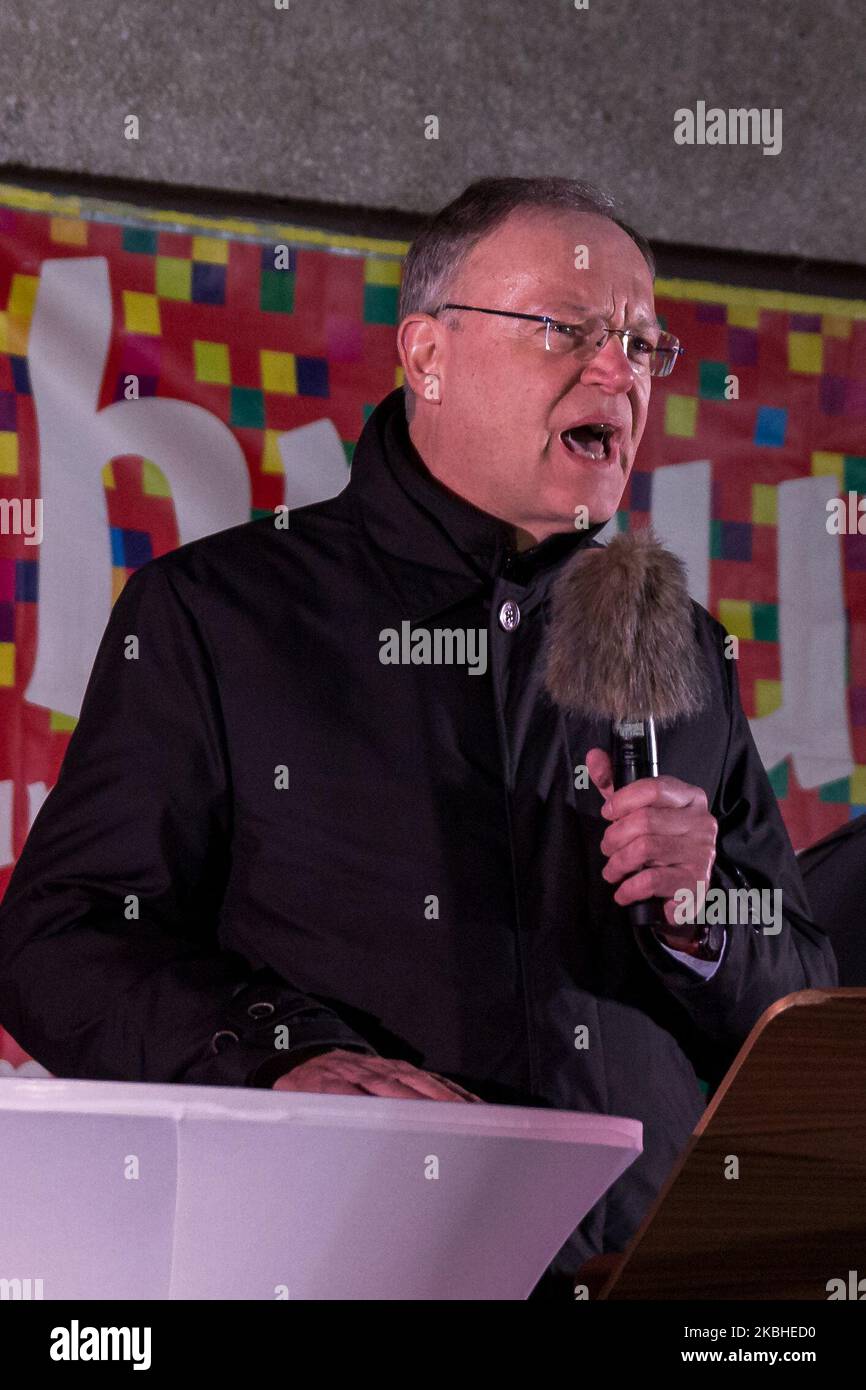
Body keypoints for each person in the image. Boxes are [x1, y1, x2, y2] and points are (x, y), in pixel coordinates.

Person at [0, 177, 837, 1296]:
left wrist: (704, 916)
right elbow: (57, 941)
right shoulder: (217, 614)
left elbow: (805, 996)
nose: (617, 372)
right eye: (565, 329)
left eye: (640, 343)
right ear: (426, 356)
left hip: (650, 1279)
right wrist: (277, 1058)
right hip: (354, 1267)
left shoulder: (671, 639)